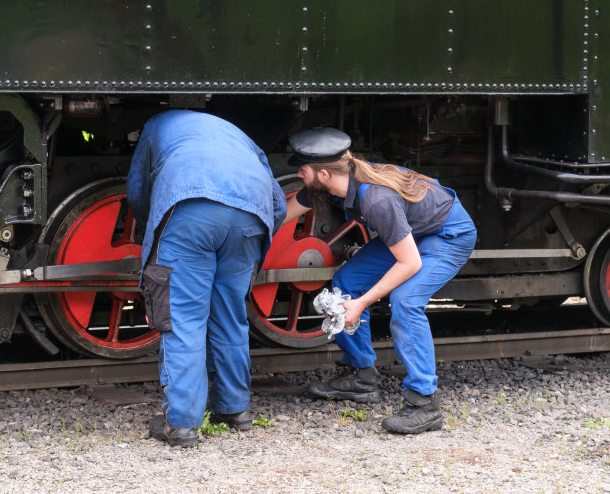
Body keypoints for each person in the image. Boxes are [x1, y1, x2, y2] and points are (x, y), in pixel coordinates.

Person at [284, 127, 476, 434]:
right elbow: (284, 212)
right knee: (346, 281)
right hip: (412, 233)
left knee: (406, 301)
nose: (297, 173)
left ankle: (424, 402)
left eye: (302, 169)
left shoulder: (376, 199)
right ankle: (361, 377)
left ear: (322, 174)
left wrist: (360, 304)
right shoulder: (334, 183)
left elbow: (409, 262)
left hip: (446, 234)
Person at [127, 110, 286, 447]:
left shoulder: (156, 124)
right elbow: (277, 204)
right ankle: (234, 409)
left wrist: (151, 224)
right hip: (250, 218)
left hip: (190, 211)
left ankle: (181, 424)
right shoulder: (237, 133)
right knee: (230, 314)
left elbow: (138, 190)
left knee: (183, 319)